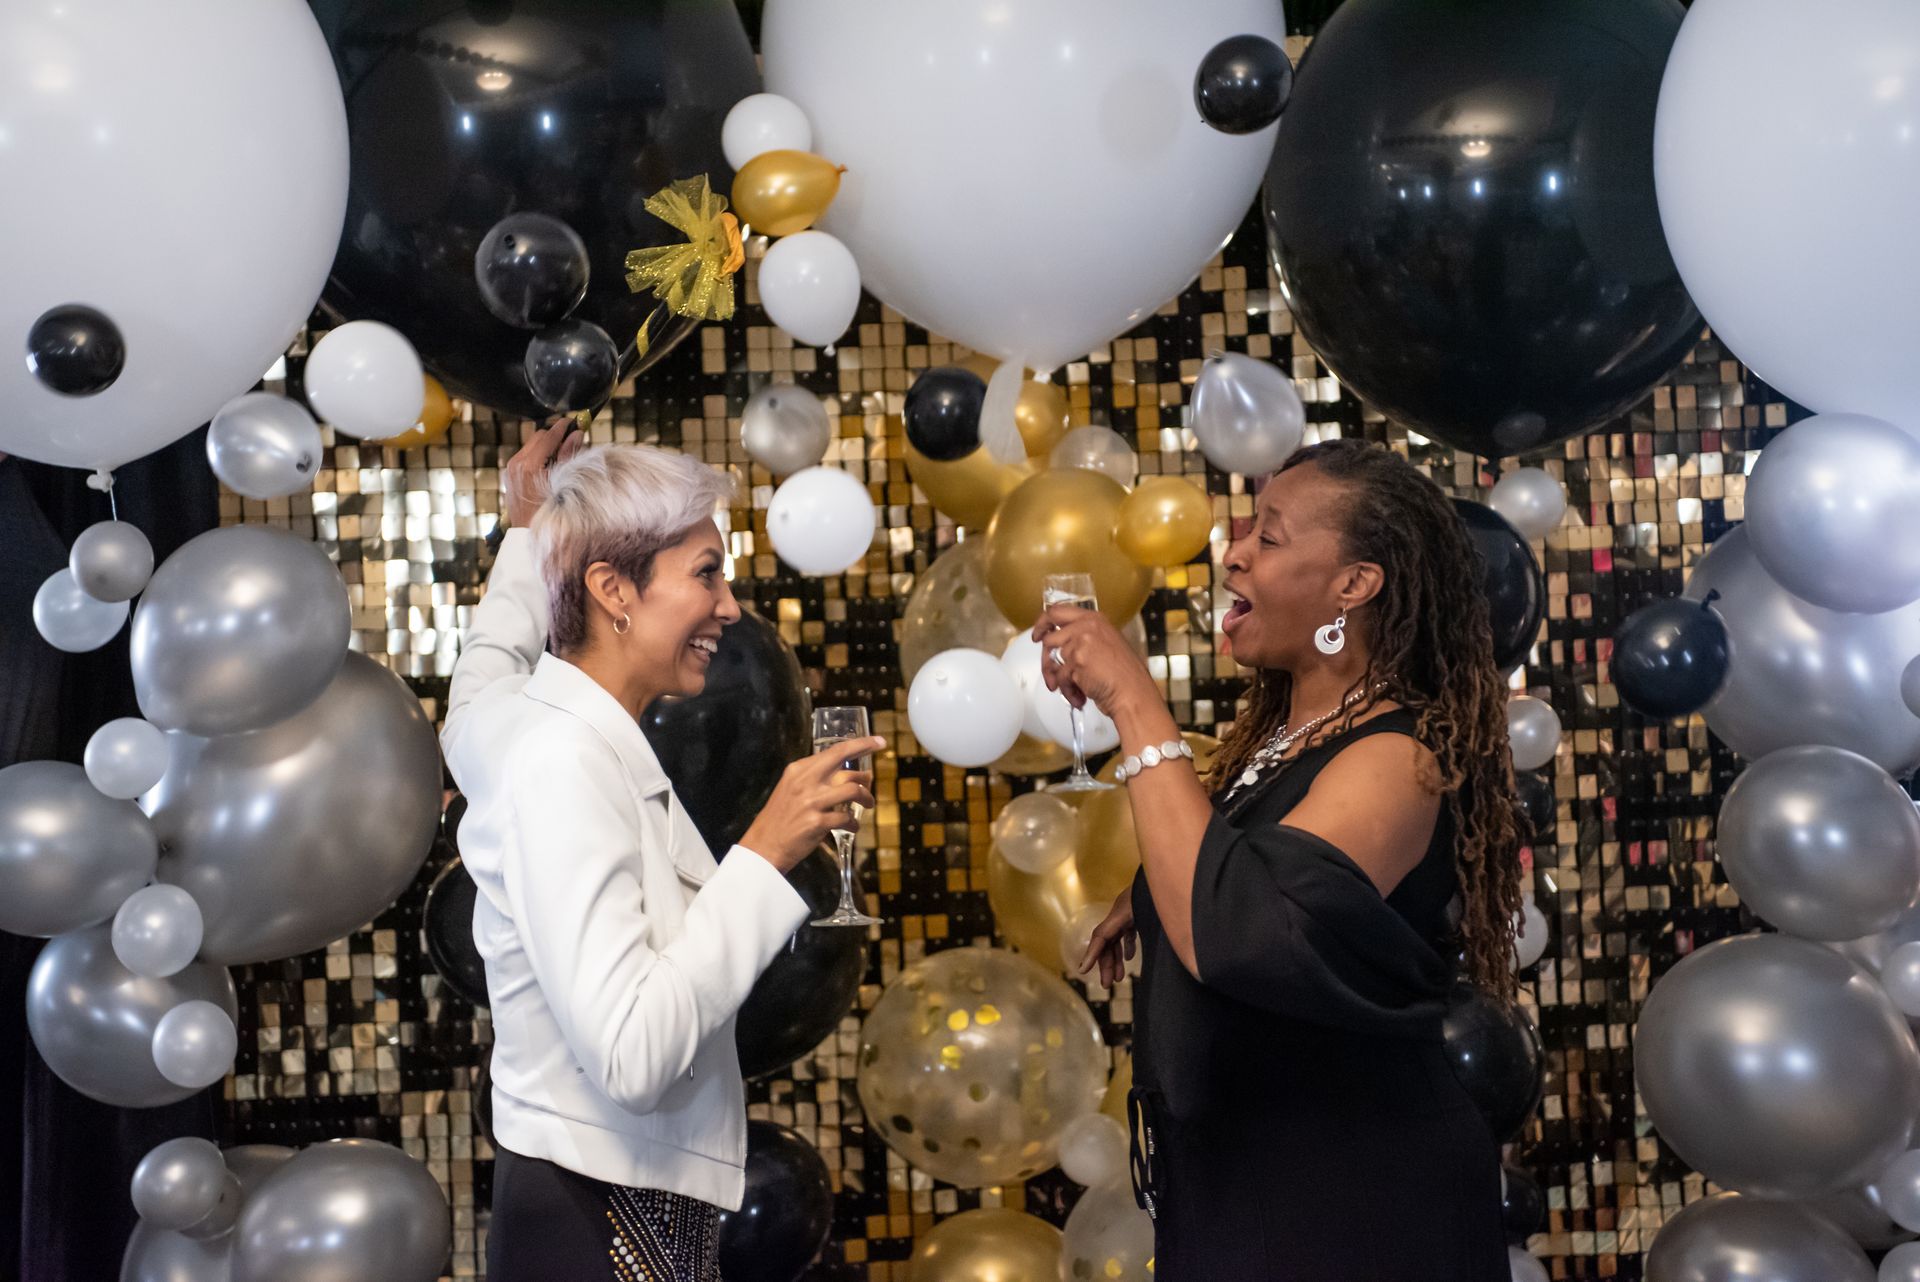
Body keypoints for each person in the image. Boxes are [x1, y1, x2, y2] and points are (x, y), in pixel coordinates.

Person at [1044, 438, 1520, 1280]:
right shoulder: (1281, 743)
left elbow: (1239, 934)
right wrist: (1151, 892)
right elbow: (1245, 877)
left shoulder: (1399, 754)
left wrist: (1136, 705)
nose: (1233, 555)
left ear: (1354, 585)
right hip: (1239, 1188)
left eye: (1269, 538)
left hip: (1349, 1202)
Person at [442, 423, 882, 1282]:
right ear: (614, 589)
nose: (729, 607)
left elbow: (479, 672)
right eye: (706, 574)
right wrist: (764, 850)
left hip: (610, 1207)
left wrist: (530, 527)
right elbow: (632, 1056)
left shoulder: (510, 721)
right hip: (602, 1225)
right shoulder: (562, 761)